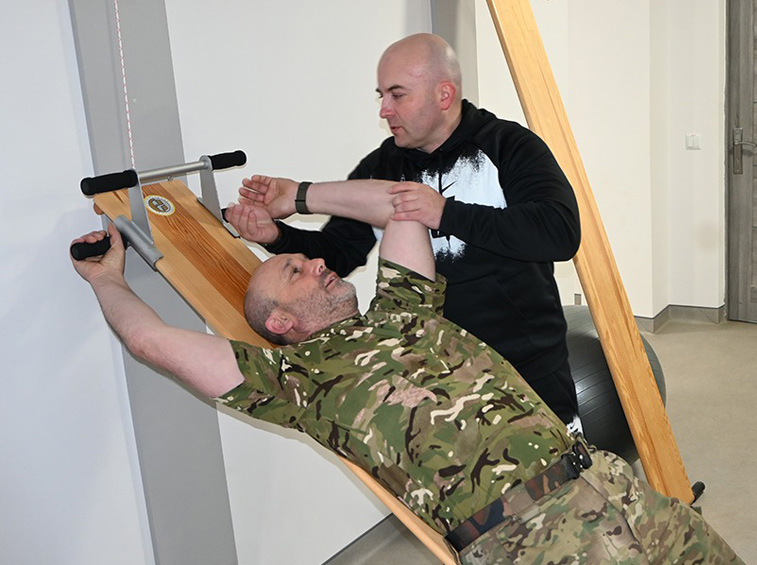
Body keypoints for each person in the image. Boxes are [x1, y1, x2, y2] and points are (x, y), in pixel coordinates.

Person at [74, 180, 744, 564]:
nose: (317, 262)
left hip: (608, 479)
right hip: (534, 538)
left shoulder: (402, 308)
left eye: (308, 259)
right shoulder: (293, 380)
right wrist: (107, 279)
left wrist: (296, 198)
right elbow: (151, 342)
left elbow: (402, 205)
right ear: (279, 321)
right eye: (295, 270)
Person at [226, 33, 584, 433]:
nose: (384, 110)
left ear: (444, 95)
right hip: (436, 384)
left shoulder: (508, 145)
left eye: (397, 95)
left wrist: (444, 213)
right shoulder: (381, 166)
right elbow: (339, 252)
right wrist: (276, 236)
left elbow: (559, 231)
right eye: (381, 95)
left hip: (528, 372)